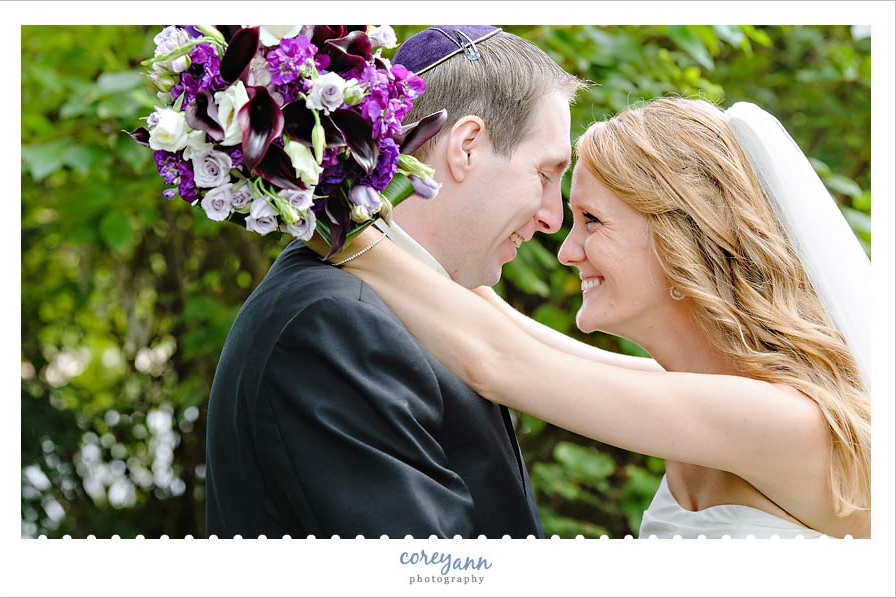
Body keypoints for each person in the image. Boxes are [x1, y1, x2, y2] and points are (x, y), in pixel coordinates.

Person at [332, 97, 872, 539]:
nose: (568, 251)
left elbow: (497, 360)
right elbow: (506, 329)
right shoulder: (697, 388)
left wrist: (324, 218)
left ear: (681, 235)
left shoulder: (784, 419)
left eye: (591, 220)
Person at [204, 25, 587, 538]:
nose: (552, 218)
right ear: (467, 147)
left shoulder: (412, 304)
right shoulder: (333, 326)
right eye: (544, 174)